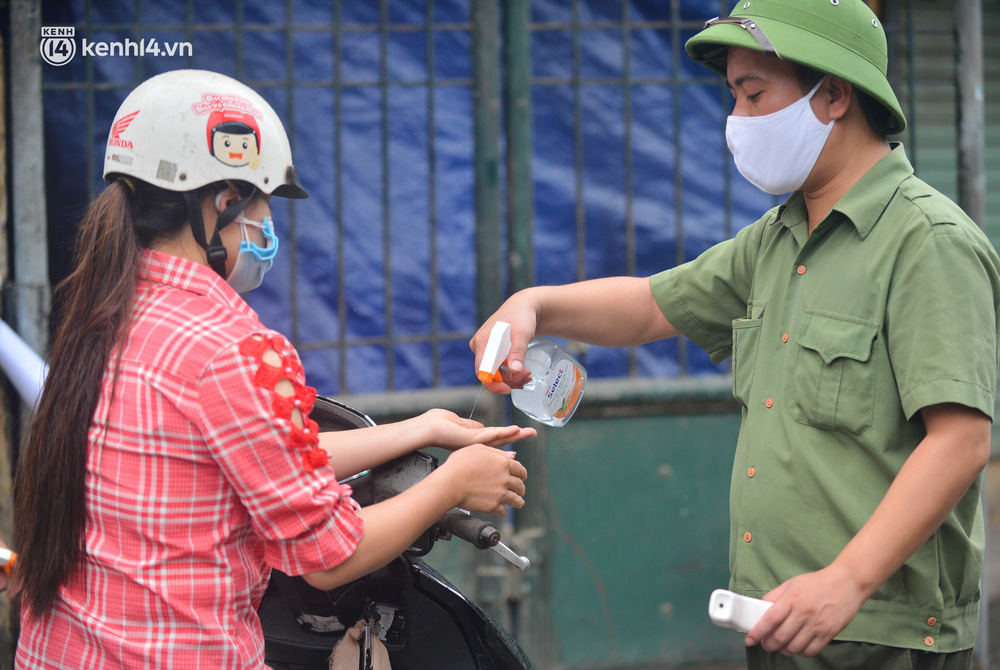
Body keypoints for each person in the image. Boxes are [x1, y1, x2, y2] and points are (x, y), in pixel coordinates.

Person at [470, 2, 999, 668]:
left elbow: (960, 442)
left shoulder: (929, 242)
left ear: (835, 95)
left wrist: (847, 581)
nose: (738, 121)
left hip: (879, 636)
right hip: (775, 619)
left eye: (754, 95)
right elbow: (651, 306)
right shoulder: (779, 239)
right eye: (733, 98)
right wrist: (533, 305)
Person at [13, 69, 533, 669]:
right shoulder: (233, 347)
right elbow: (328, 557)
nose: (267, 226)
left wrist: (421, 427)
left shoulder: (108, 312)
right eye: (264, 206)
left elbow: (257, 458)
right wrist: (453, 483)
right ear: (225, 203)